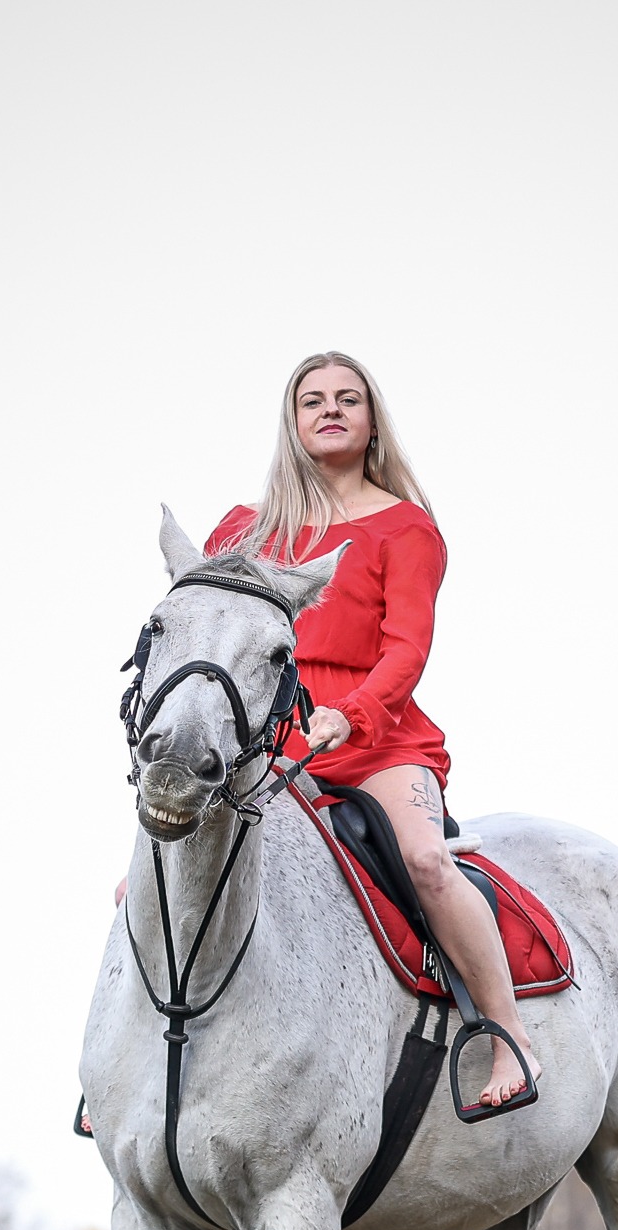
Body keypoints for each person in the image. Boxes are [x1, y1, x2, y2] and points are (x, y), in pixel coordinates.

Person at [205, 351, 539, 1111]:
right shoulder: (241, 529)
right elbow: (212, 626)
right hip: (268, 740)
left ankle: (508, 1036)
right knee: (154, 872)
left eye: (347, 399)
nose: (330, 409)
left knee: (427, 860)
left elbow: (406, 651)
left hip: (376, 737)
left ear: (372, 421)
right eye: (313, 400)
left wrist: (350, 713)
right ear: (292, 423)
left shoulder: (406, 528)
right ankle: (131, 1061)